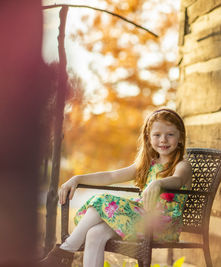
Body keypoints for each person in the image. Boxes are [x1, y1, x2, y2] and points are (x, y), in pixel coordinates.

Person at [39, 108, 192, 267]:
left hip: (161, 225)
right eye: (157, 135)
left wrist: (159, 183)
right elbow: (111, 176)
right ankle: (64, 253)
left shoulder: (182, 165)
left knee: (102, 201)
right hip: (139, 219)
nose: (163, 140)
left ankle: (65, 251)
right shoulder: (148, 165)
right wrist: (78, 178)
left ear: (180, 137)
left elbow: (178, 180)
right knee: (94, 233)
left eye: (170, 134)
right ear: (148, 138)